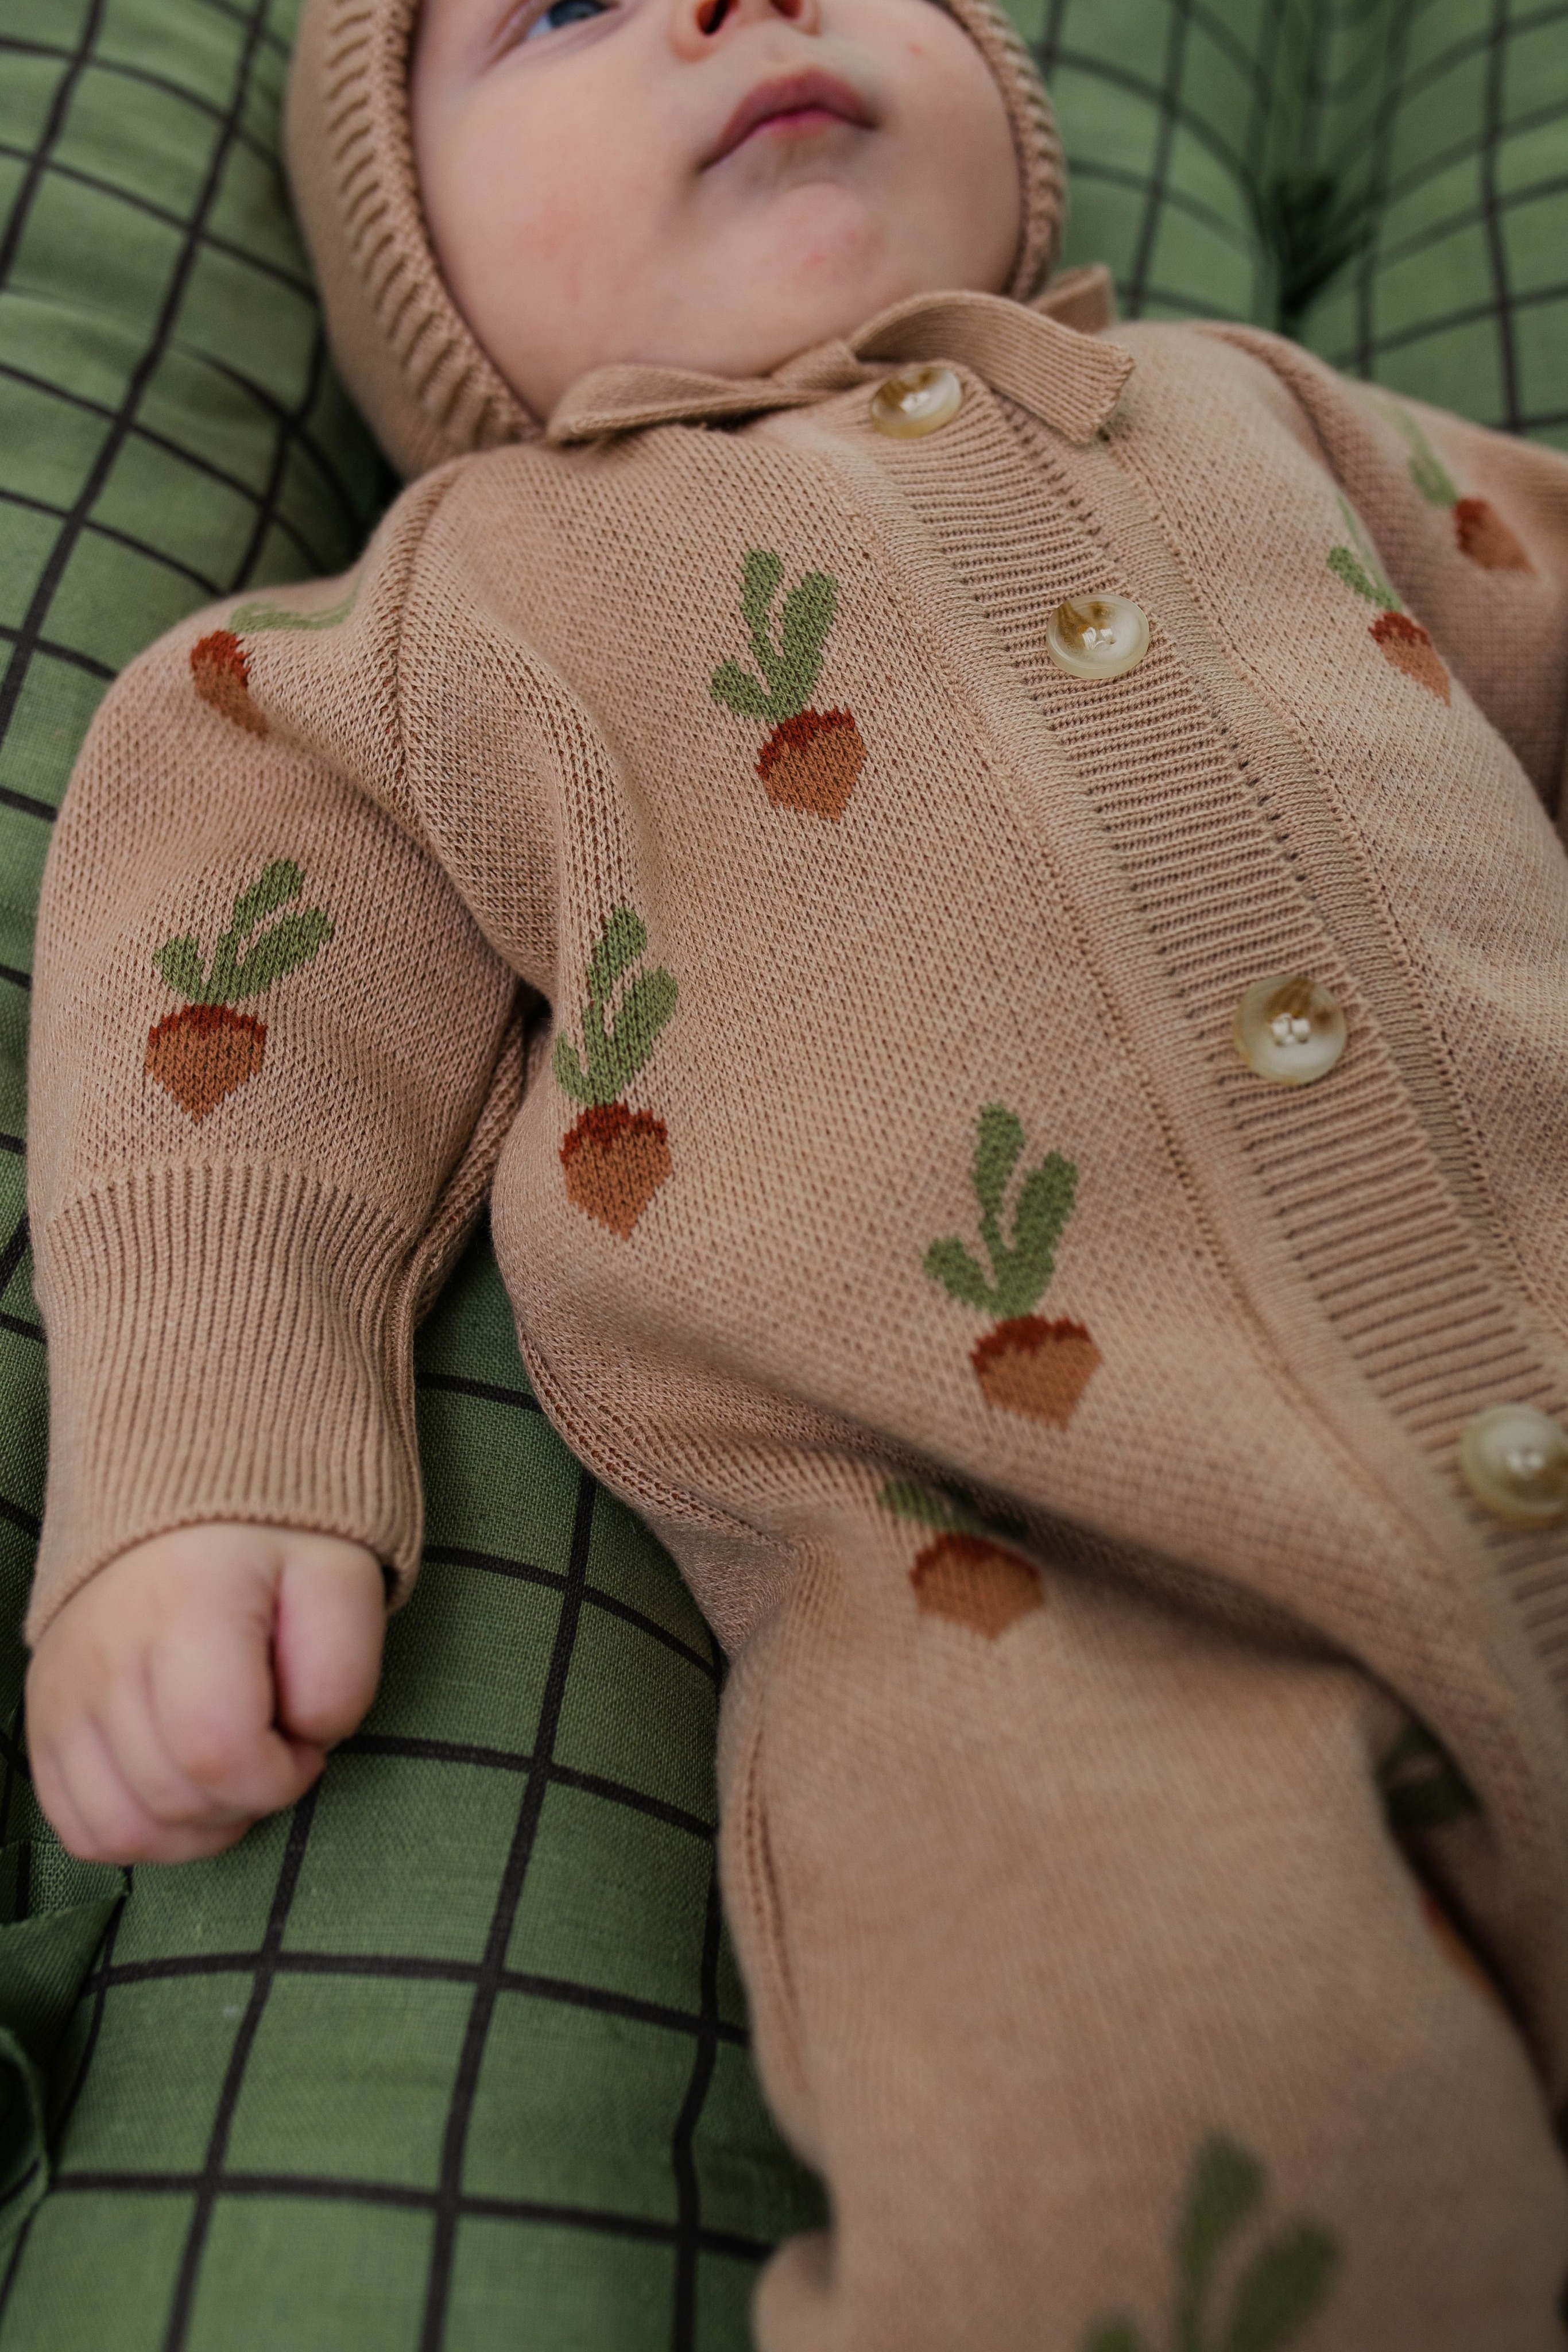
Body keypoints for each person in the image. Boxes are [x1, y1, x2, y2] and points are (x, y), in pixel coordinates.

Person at [20, 0, 1568, 2338]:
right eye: (556, 6)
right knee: (1127, 2160)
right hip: (1035, 1625)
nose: (728, 0)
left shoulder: (1248, 407)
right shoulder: (448, 612)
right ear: (417, 270)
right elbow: (218, 1004)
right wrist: (204, 1468)